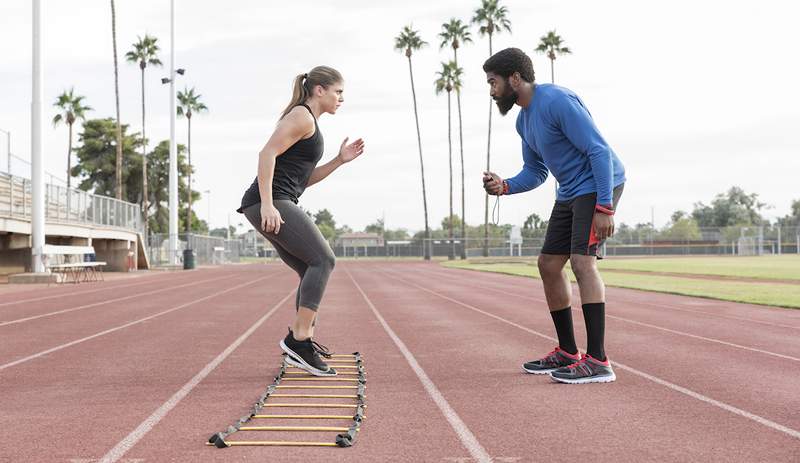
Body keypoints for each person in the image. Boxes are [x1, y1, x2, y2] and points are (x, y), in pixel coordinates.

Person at [482, 48, 625, 384]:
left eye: (493, 82)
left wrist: (604, 207)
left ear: (515, 78)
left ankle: (599, 361)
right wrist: (505, 186)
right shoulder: (523, 120)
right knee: (548, 264)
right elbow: (536, 171)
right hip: (570, 192)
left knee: (582, 263)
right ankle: (567, 351)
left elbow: (598, 151)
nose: (491, 90)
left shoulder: (557, 100)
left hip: (597, 185)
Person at [237, 66, 365, 376]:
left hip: (278, 198)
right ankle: (299, 339)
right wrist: (268, 204)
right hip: (269, 201)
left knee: (310, 267)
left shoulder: (309, 123)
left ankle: (300, 343)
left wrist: (338, 161)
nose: (341, 99)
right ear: (319, 90)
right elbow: (266, 154)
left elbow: (302, 180)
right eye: (338, 92)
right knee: (324, 260)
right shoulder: (302, 116)